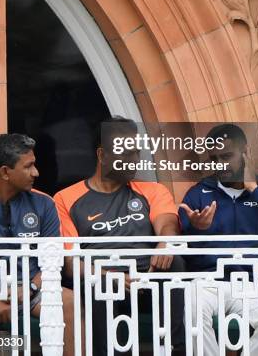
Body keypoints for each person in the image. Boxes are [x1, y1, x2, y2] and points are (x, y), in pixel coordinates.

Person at [54, 116, 186, 355]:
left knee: (175, 262)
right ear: (102, 155)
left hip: (148, 277)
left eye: (136, 152)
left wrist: (166, 243)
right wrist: (109, 276)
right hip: (101, 279)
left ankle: (175, 350)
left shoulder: (152, 190)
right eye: (125, 153)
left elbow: (167, 222)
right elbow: (71, 263)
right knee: (98, 284)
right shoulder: (65, 198)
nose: (134, 160)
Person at [179, 123, 258, 356]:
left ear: (246, 153)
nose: (220, 165)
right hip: (205, 283)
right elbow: (182, 241)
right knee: (192, 312)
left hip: (249, 284)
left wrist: (253, 188)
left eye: (227, 156)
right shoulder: (198, 193)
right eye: (214, 158)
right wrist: (198, 228)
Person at [0, 133, 76, 356]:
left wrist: (30, 288)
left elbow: (52, 260)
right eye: (28, 166)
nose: (36, 172)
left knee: (68, 300)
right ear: (5, 172)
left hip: (32, 289)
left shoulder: (44, 204)